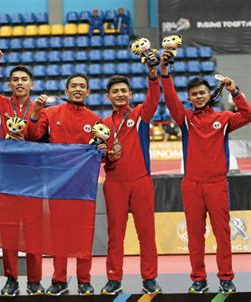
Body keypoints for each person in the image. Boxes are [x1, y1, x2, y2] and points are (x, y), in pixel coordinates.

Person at [160, 50, 251, 294]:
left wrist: (235, 91)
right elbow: (169, 100)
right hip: (191, 184)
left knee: (222, 235)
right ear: (189, 98)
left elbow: (248, 115)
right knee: (195, 236)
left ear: (208, 94)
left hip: (217, 184)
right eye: (194, 94)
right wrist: (165, 73)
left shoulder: (222, 119)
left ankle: (226, 278)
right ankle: (198, 278)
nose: (198, 97)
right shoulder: (186, 119)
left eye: (202, 93)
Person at [0, 43, 45, 296]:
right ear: (9, 84)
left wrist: (29, 140)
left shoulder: (41, 109)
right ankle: (12, 279)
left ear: (32, 85)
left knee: (34, 233)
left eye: (24, 79)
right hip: (5, 178)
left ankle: (34, 280)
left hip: (33, 178)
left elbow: (41, 139)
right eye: (15, 80)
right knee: (9, 233)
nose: (20, 83)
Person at [25, 73, 102, 296]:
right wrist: (35, 113)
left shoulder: (95, 120)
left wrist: (106, 151)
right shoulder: (50, 113)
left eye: (82, 86)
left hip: (84, 186)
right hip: (58, 183)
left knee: (83, 233)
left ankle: (84, 280)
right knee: (59, 234)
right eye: (74, 86)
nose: (78, 89)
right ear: (66, 91)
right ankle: (59, 280)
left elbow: (101, 152)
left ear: (88, 92)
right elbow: (33, 138)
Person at [99, 61, 162, 295]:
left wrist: (153, 75)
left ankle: (150, 278)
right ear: (108, 96)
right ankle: (114, 279)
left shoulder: (139, 115)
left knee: (146, 233)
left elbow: (154, 99)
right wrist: (105, 153)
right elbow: (97, 155)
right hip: (114, 183)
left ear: (130, 93)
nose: (119, 94)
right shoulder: (103, 125)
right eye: (115, 91)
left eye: (123, 90)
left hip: (141, 181)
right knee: (115, 235)